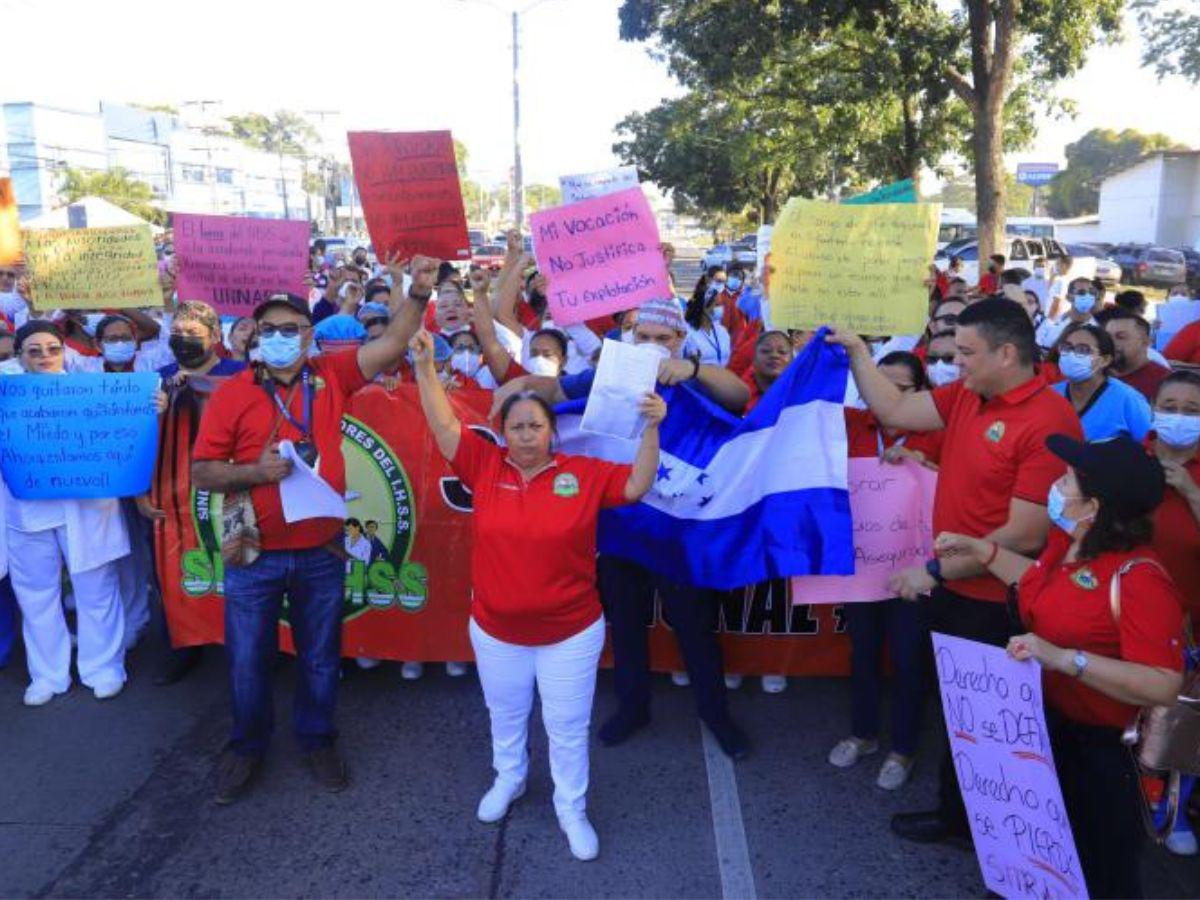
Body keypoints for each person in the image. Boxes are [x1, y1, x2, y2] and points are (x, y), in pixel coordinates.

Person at [826, 297, 1082, 844]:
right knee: (963, 711)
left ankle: (992, 837)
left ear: (1007, 352)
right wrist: (856, 353)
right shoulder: (970, 393)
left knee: (992, 721)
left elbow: (1026, 532)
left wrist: (937, 570)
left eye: (966, 352)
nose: (953, 362)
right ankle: (959, 816)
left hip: (995, 602)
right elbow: (895, 411)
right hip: (956, 589)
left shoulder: (1048, 420)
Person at [410, 326, 665, 861]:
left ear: (553, 431)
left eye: (536, 426)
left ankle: (571, 809)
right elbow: (442, 422)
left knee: (566, 728)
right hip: (497, 630)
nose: (526, 434)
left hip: (570, 633)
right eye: (517, 426)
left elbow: (638, 485)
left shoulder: (584, 472)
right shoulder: (483, 467)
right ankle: (511, 779)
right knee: (505, 714)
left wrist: (651, 429)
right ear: (502, 433)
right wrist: (424, 369)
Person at [191, 255, 431, 805]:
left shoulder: (331, 376)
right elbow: (202, 470)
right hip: (255, 554)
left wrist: (416, 295)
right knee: (248, 658)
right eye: (269, 329)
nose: (279, 338)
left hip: (323, 551)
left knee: (321, 656)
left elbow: (393, 343)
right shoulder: (233, 393)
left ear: (309, 336)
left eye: (291, 330)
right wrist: (256, 472)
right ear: (254, 336)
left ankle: (318, 739)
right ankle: (247, 746)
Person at [492, 298, 753, 758]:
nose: (652, 345)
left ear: (679, 340)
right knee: (627, 626)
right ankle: (633, 707)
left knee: (695, 629)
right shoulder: (610, 373)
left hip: (677, 532)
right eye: (644, 337)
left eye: (663, 338)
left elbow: (738, 396)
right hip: (619, 529)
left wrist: (690, 371)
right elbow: (554, 395)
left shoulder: (694, 372)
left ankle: (716, 715)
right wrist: (517, 385)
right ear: (631, 338)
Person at [936, 435, 1185, 897]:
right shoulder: (1066, 542)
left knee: (1100, 868)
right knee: (1035, 855)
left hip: (1104, 753)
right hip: (1044, 731)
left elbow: (1163, 684)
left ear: (1093, 506)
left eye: (1066, 479)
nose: (1055, 483)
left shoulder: (1140, 579)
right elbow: (1037, 586)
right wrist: (982, 550)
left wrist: (1065, 659)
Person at [827, 352, 940, 791]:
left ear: (921, 392)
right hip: (863, 568)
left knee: (910, 659)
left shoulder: (938, 433)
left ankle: (904, 748)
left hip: (915, 571)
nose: (887, 396)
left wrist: (927, 467)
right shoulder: (854, 424)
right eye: (880, 384)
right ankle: (864, 733)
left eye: (900, 388)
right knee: (863, 653)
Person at [6, 321, 131, 706]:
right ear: (19, 356)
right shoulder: (5, 396)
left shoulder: (90, 393)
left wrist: (149, 409)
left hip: (86, 511)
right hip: (26, 514)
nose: (44, 356)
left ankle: (104, 668)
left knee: (97, 591)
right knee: (35, 595)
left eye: (52, 348)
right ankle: (47, 674)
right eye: (34, 350)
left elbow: (126, 434)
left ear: (64, 352)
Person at [149, 301, 248, 686]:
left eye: (194, 334)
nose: (184, 341)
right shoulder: (156, 380)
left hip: (229, 489)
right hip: (171, 498)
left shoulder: (240, 374)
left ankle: (256, 646)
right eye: (178, 333)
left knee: (241, 566)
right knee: (173, 572)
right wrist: (143, 495)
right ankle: (183, 646)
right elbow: (138, 444)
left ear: (216, 337)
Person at [1147, 370, 1200, 856]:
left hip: (1190, 621)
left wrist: (1190, 491)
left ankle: (1177, 806)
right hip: (1127, 615)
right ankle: (1134, 795)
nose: (1177, 418)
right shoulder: (1128, 456)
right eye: (1169, 405)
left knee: (1180, 720)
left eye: (1190, 410)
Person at [1052, 323, 1152, 441]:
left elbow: (1148, 446)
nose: (1071, 355)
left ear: (1105, 360)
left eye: (1083, 350)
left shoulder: (1128, 399)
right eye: (1067, 347)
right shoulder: (1050, 394)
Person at [1098, 308, 1172, 403]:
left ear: (1146, 342)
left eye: (1120, 337)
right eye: (1107, 337)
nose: (1111, 342)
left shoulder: (1164, 383)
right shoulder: (1097, 375)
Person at [1035, 277, 1097, 350]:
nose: (1088, 296)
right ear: (1068, 297)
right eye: (1081, 293)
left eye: (1092, 292)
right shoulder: (1051, 325)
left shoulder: (1097, 330)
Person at [683, 281, 733, 367]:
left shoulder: (722, 331)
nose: (720, 309)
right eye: (716, 305)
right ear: (703, 306)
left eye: (721, 305)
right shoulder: (687, 332)